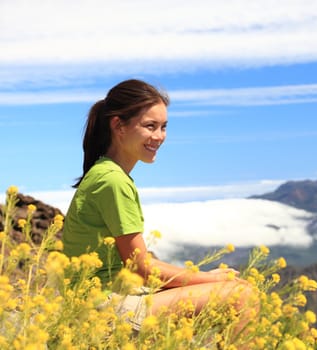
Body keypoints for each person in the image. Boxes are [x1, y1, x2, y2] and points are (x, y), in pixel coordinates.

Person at [62, 79, 255, 334]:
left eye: (163, 127)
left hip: (102, 299)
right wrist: (211, 278)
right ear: (118, 126)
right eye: (150, 126)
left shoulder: (105, 173)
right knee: (241, 294)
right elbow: (141, 268)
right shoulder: (112, 180)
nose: (159, 136)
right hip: (104, 307)